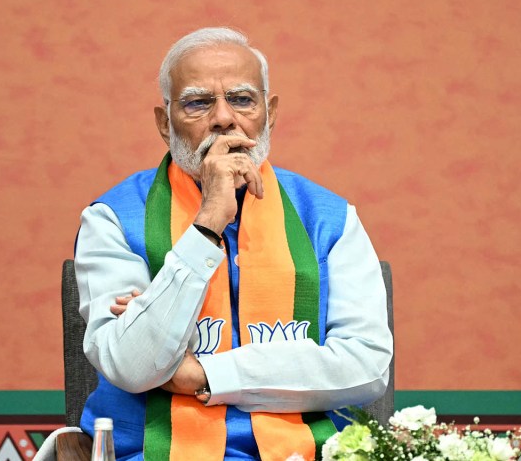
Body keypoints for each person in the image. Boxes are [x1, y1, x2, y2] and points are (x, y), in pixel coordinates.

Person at [74, 27, 393, 461]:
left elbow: (367, 365)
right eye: (198, 102)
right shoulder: (112, 218)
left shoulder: (331, 219)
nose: (224, 118)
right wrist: (207, 224)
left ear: (271, 113)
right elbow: (132, 365)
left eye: (242, 99)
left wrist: (205, 373)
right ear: (163, 125)